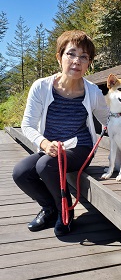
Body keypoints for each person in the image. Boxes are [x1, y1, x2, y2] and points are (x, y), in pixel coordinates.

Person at [12, 30, 110, 237]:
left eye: (84, 57)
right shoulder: (41, 87)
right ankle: (49, 208)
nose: (77, 61)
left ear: (89, 63)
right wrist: (44, 143)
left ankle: (65, 211)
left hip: (80, 148)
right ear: (59, 57)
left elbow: (110, 120)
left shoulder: (92, 92)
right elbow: (27, 124)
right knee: (21, 172)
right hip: (51, 147)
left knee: (45, 165)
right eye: (71, 54)